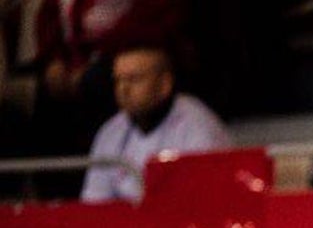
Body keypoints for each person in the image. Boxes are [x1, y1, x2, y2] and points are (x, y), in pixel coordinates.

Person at [81, 44, 228, 203]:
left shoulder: (197, 125)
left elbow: (205, 200)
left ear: (165, 84)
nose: (123, 89)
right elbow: (94, 202)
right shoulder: (111, 130)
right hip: (126, 224)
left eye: (134, 79)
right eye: (118, 80)